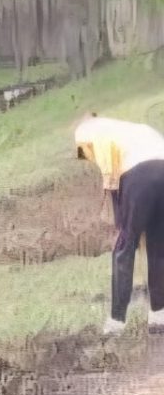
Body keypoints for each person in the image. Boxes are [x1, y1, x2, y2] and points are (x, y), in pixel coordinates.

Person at [74, 115, 164, 335]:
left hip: (139, 174)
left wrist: (120, 221)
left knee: (124, 247)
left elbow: (110, 172)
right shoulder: (136, 129)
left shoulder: (88, 131)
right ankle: (159, 316)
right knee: (158, 245)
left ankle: (116, 321)